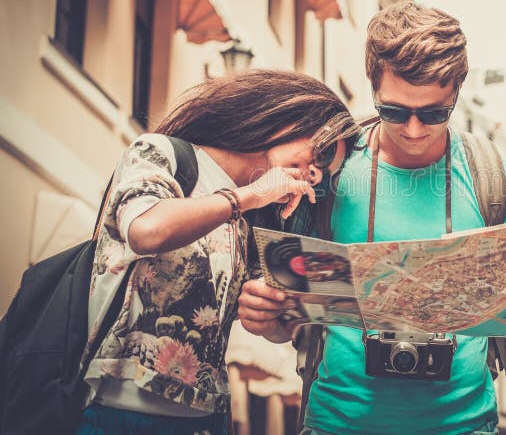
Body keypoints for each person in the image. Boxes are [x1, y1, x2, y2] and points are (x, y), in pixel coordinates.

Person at [237, 2, 506, 434]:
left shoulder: (505, 184)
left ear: (457, 93)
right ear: (372, 87)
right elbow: (285, 327)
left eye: (434, 113)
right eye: (394, 112)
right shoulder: (323, 171)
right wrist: (263, 315)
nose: (414, 130)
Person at [77, 69, 359, 434]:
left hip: (207, 419)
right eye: (320, 155)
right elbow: (146, 231)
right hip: (116, 412)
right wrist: (250, 195)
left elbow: (270, 329)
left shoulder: (258, 216)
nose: (316, 174)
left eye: (325, 172)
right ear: (290, 117)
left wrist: (269, 315)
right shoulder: (164, 154)